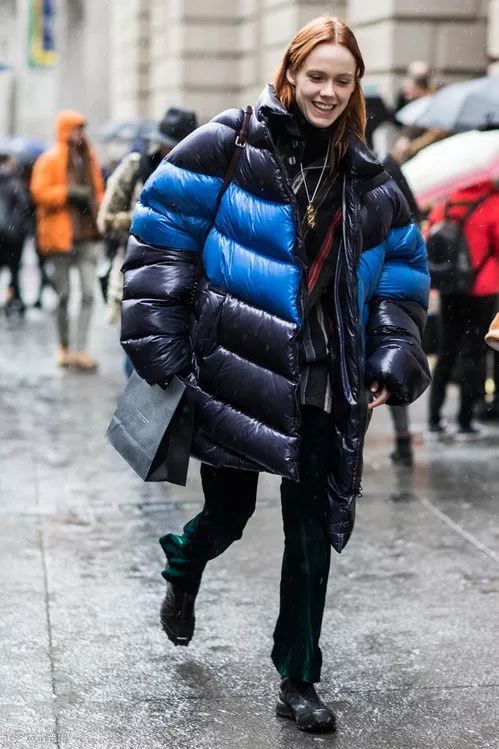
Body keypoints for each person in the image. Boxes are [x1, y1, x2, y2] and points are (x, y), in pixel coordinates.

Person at [120, 16, 430, 733]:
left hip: (324, 372)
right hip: (237, 366)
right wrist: (162, 343)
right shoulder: (228, 141)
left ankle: (298, 676)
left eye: (341, 80)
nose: (326, 91)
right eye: (315, 75)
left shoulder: (371, 177)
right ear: (289, 74)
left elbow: (402, 275)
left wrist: (390, 354)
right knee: (227, 516)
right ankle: (183, 565)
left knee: (311, 531)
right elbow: (161, 234)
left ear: (355, 87)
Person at [97, 108, 198, 344]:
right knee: (136, 348)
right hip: (136, 272)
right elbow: (105, 220)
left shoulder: (199, 175)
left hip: (182, 279)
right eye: (167, 144)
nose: (170, 151)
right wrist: (146, 218)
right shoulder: (136, 167)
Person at [31, 110, 104, 370]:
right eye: (75, 128)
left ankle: (81, 349)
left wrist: (100, 210)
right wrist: (68, 192)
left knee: (88, 294)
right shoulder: (50, 159)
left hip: (87, 235)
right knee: (63, 295)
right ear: (64, 130)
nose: (79, 134)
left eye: (81, 129)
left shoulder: (89, 158)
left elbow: (99, 191)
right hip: (60, 237)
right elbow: (39, 192)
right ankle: (64, 347)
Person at [427, 181, 499, 435]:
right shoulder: (492, 204)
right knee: (474, 354)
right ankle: (465, 420)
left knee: (446, 351)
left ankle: (434, 417)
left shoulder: (445, 203)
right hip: (481, 290)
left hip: (449, 289)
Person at [0, 152, 32, 315]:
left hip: (4, 235)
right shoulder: (15, 183)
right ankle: (14, 298)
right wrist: (19, 228)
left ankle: (13, 298)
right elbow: (25, 206)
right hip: (14, 237)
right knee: (14, 269)